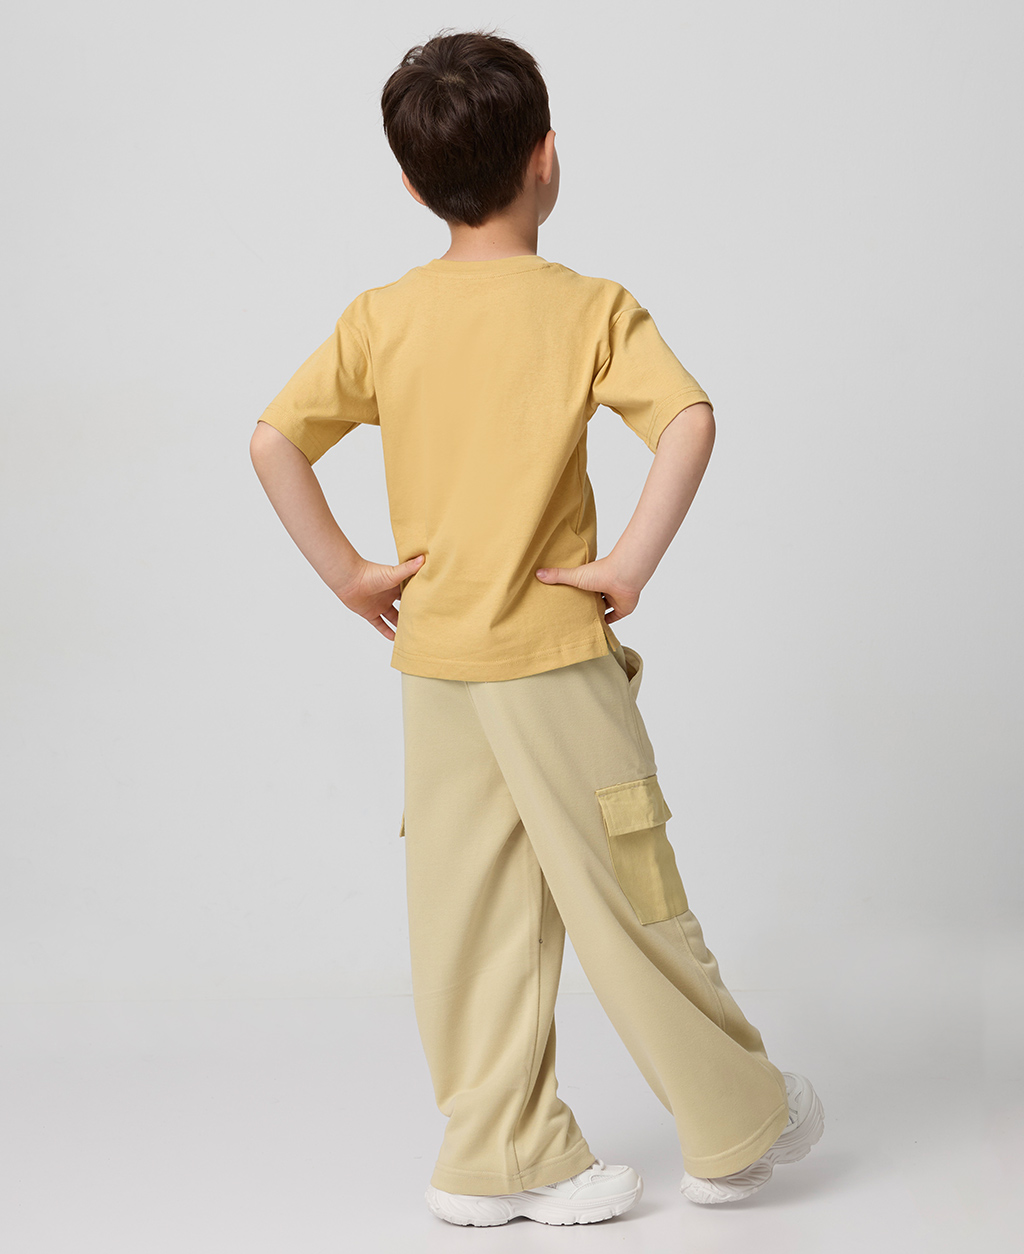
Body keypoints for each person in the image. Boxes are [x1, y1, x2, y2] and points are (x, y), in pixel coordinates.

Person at [249, 26, 824, 1229]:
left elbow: (273, 441)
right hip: (555, 658)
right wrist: (628, 566)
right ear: (547, 158)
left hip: (435, 663)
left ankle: (497, 1154)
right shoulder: (587, 309)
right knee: (629, 890)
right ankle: (734, 1124)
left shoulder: (382, 316)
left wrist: (352, 576)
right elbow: (687, 420)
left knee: (467, 911)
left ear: (411, 184)